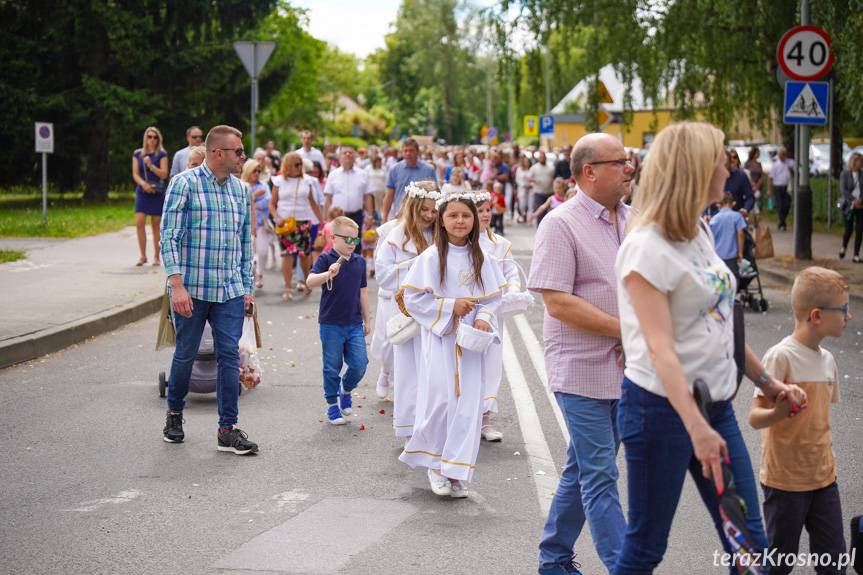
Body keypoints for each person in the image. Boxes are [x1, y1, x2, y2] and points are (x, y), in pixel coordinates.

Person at [612, 121, 806, 574]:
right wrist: (695, 426)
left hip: (714, 406)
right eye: (722, 158)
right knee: (645, 548)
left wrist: (767, 380)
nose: (729, 168)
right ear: (697, 169)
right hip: (660, 411)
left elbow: (721, 324)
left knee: (750, 546)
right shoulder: (646, 247)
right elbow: (660, 349)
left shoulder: (696, 229)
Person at [529, 133, 632, 575]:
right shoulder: (560, 222)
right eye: (619, 161)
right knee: (600, 474)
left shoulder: (636, 219)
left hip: (629, 369)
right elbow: (557, 302)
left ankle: (553, 558)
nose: (630, 167)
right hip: (580, 369)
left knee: (585, 466)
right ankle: (626, 567)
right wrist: (627, 330)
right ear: (588, 171)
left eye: (630, 160)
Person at [399, 190, 507, 499]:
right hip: (443, 339)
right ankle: (435, 466)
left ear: (475, 220)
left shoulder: (482, 257)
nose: (460, 221)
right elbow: (414, 298)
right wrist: (449, 306)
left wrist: (485, 315)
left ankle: (454, 470)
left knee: (468, 406)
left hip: (472, 344)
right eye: (453, 215)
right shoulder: (431, 257)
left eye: (466, 215)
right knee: (442, 401)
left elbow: (493, 296)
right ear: (441, 221)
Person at [160, 124, 258, 455]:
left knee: (228, 355)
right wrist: (176, 284)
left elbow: (246, 242)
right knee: (186, 352)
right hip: (192, 288)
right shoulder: (183, 184)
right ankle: (174, 415)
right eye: (239, 152)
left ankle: (227, 430)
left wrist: (247, 288)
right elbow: (169, 236)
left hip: (229, 288)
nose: (243, 157)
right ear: (219, 153)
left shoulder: (242, 191)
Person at [749, 266, 847, 575]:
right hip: (785, 482)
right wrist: (778, 412)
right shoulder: (780, 357)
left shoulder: (828, 360)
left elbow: (820, 422)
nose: (849, 316)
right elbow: (754, 418)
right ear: (817, 315)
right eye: (843, 309)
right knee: (778, 565)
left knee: (834, 564)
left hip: (823, 479)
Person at [375, 181, 438, 439]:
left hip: (435, 312)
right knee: (408, 372)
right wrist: (418, 264)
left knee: (432, 370)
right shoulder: (396, 234)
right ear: (412, 206)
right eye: (424, 209)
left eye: (434, 211)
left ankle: (431, 423)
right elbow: (383, 275)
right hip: (407, 311)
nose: (429, 216)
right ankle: (410, 426)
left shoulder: (438, 232)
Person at [305, 216, 371, 425]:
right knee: (331, 366)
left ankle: (346, 389)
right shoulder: (326, 259)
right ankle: (332, 405)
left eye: (355, 240)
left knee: (360, 363)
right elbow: (310, 281)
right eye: (347, 239)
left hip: (353, 323)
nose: (352, 244)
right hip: (331, 323)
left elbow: (363, 293)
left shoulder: (360, 262)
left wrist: (367, 320)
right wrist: (328, 273)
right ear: (333, 238)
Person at [475, 191, 521, 441]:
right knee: (465, 363)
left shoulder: (500, 244)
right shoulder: (459, 242)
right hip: (467, 310)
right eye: (479, 210)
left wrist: (513, 289)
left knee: (490, 363)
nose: (484, 214)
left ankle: (484, 420)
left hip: (492, 312)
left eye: (487, 210)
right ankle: (463, 417)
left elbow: (511, 272)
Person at [269, 151, 324, 300]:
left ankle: (306, 281)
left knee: (304, 255)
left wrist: (322, 221)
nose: (300, 167)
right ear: (288, 165)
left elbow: (312, 202)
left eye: (301, 164)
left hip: (304, 221)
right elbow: (272, 205)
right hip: (285, 223)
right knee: (286, 255)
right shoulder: (279, 181)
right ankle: (287, 287)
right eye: (296, 164)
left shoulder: (307, 180)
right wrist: (277, 218)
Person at [369, 216, 401, 399]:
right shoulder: (390, 229)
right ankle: (385, 372)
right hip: (392, 292)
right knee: (391, 336)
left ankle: (402, 382)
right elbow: (380, 261)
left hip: (419, 293)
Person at [323, 145, 373, 253]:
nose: (347, 155)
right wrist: (326, 218)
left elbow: (368, 197)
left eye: (350, 152)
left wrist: (369, 216)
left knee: (355, 247)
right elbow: (328, 198)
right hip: (338, 218)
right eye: (344, 153)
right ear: (339, 156)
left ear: (354, 156)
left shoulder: (362, 174)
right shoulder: (333, 175)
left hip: (356, 216)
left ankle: (354, 270)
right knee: (337, 247)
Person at [133, 126, 169, 267]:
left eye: (155, 137)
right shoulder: (137, 154)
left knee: (156, 224)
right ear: (146, 139)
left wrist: (151, 166)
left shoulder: (161, 154)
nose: (152, 139)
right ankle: (143, 255)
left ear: (158, 139)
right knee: (139, 222)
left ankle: (156, 256)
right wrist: (143, 184)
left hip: (157, 191)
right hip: (142, 191)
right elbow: (135, 173)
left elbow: (164, 174)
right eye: (150, 137)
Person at [382, 139, 437, 222]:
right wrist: (385, 217)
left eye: (411, 150)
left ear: (418, 152)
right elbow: (389, 195)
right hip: (400, 215)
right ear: (402, 152)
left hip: (422, 217)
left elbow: (435, 194)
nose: (408, 153)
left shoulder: (429, 169)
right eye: (405, 151)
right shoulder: (394, 169)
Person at [241, 159, 272, 290]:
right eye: (254, 170)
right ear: (248, 170)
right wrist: (254, 195)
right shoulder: (241, 184)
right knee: (247, 254)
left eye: (259, 171)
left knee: (263, 252)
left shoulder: (263, 185)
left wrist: (253, 203)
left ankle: (259, 273)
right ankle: (251, 277)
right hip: (245, 225)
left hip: (261, 223)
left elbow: (267, 201)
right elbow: (241, 201)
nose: (257, 173)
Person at [708, 192, 747, 280]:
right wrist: (740, 252)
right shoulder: (737, 217)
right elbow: (740, 234)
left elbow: (710, 238)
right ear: (733, 204)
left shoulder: (713, 220)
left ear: (718, 205)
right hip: (731, 256)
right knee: (733, 279)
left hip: (717, 257)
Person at [839, 152, 863, 262]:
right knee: (848, 229)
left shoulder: (862, 174)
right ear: (854, 161)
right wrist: (854, 200)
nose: (862, 163)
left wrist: (860, 200)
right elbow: (844, 190)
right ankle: (844, 247)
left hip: (861, 205)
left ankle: (856, 254)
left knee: (859, 229)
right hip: (849, 206)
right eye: (860, 161)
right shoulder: (845, 174)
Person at [768, 146, 795, 232]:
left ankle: (782, 220)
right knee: (780, 205)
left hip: (787, 187)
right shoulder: (776, 165)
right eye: (779, 155)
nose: (780, 157)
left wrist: (792, 170)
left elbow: (796, 175)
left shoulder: (791, 163)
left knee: (787, 205)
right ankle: (782, 223)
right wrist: (769, 189)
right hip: (778, 187)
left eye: (782, 155)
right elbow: (770, 178)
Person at [723, 149, 755, 218]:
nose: (723, 166)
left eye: (725, 163)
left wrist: (746, 209)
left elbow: (750, 196)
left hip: (737, 218)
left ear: (730, 162)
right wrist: (705, 215)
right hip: (716, 220)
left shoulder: (741, 175)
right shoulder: (712, 177)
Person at [528, 151, 556, 228]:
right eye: (541, 157)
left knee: (548, 211)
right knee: (540, 210)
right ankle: (539, 225)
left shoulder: (551, 168)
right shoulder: (534, 167)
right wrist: (535, 180)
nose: (542, 159)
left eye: (543, 157)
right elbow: (529, 178)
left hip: (549, 192)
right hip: (539, 192)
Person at [514, 154, 533, 223]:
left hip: (530, 189)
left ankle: (529, 217)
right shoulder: (519, 170)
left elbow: (534, 179)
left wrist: (531, 185)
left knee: (530, 204)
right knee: (522, 204)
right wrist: (524, 185)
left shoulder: (532, 169)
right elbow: (518, 179)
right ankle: (522, 214)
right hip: (522, 189)